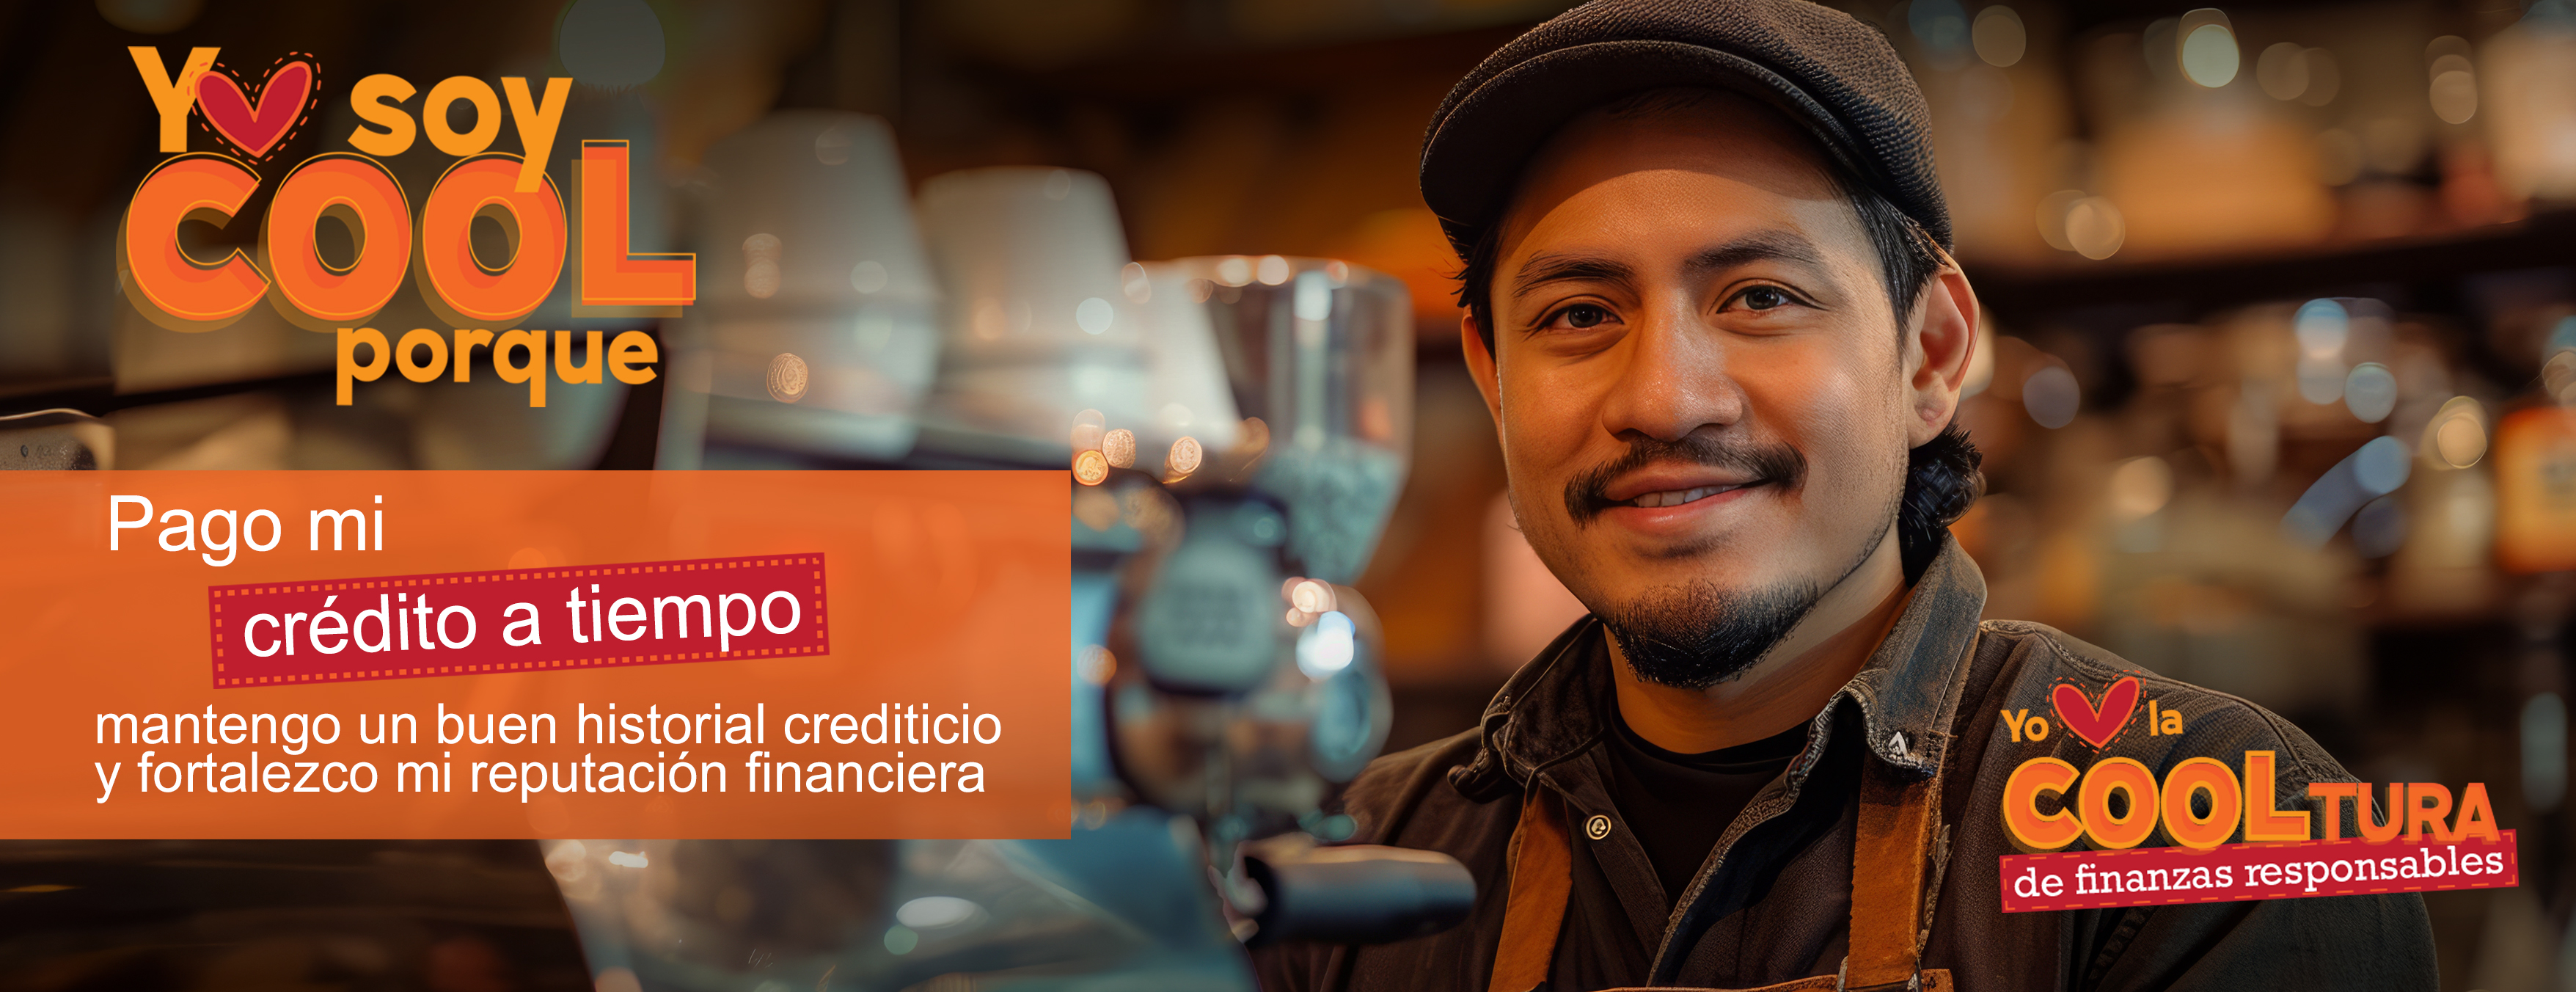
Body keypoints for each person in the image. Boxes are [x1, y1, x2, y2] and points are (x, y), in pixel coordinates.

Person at [1253, 1, 2439, 989]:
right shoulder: (1347, 874)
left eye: (1761, 296)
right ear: (1492, 377)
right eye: (1579, 316)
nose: (1664, 401)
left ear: (1929, 357)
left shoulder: (2230, 838)